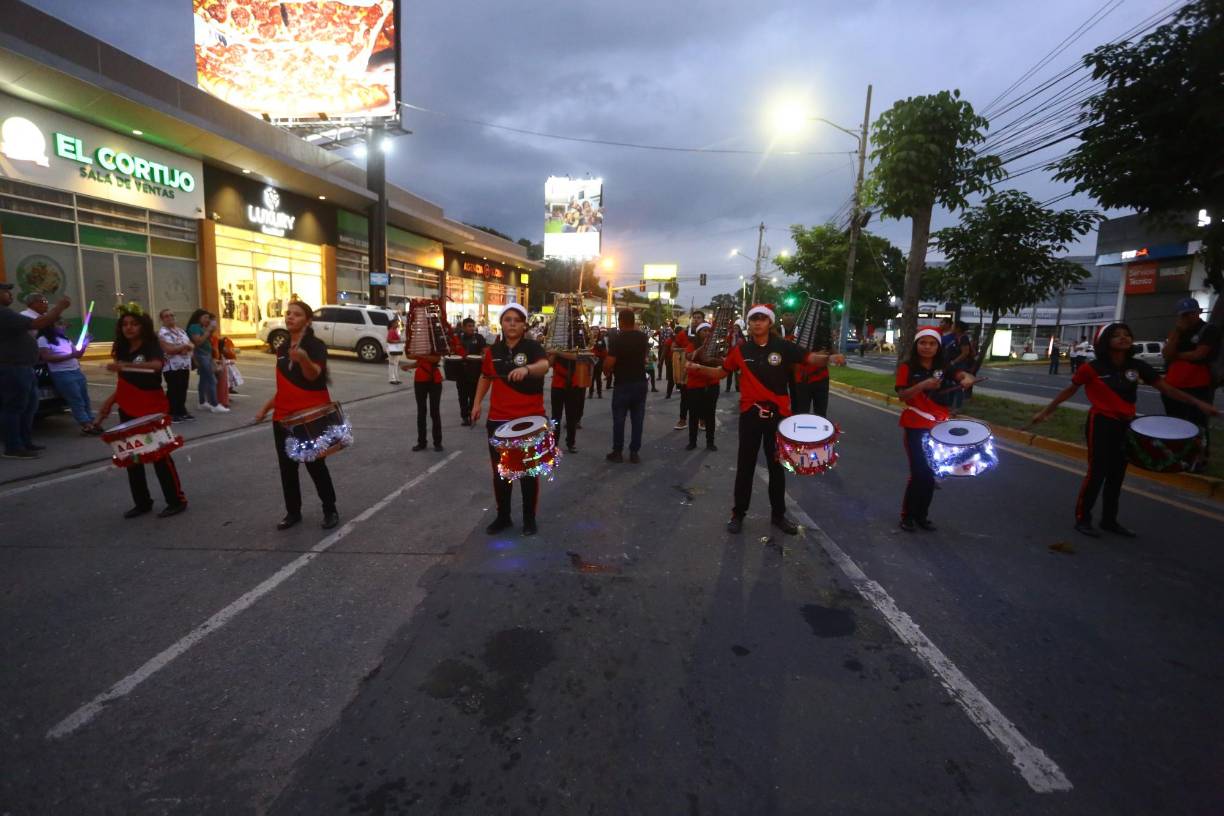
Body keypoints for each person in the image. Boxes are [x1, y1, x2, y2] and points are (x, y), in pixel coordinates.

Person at [1031, 322, 1218, 538]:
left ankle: (1109, 520)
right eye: (1116, 335)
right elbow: (1068, 391)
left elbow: (1166, 389)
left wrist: (1198, 403)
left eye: (1127, 334)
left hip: (1126, 425)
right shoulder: (1092, 368)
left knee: (1117, 475)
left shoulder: (1137, 366)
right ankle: (1083, 518)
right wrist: (1045, 412)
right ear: (1105, 341)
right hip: (1101, 423)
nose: (1123, 338)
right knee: (1097, 472)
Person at [686, 304, 844, 535]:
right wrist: (698, 367)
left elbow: (811, 358)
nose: (757, 323)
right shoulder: (740, 351)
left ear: (769, 322)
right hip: (750, 415)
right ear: (749, 324)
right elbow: (721, 372)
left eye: (762, 319)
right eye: (753, 319)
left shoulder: (784, 347)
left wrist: (830, 357)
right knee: (745, 467)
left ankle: (778, 516)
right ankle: (738, 514)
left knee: (776, 468)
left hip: (777, 417)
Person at [91, 309, 187, 519]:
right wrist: (105, 409)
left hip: (151, 408)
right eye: (125, 324)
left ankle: (176, 500)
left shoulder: (151, 345)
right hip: (127, 407)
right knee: (132, 457)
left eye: (134, 323)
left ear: (142, 325)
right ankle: (142, 502)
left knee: (160, 456)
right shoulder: (122, 349)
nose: (129, 327)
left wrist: (125, 365)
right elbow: (123, 384)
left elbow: (155, 366)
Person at [255, 301, 339, 531]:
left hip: (308, 416)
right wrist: (265, 408)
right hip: (283, 417)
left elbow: (314, 376)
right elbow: (284, 386)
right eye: (288, 313)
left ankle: (330, 509)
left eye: (297, 314)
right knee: (287, 468)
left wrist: (303, 358)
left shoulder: (315, 345)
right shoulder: (282, 348)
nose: (290, 317)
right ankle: (293, 512)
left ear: (308, 320)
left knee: (315, 464)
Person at [470, 303, 550, 535]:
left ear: (524, 324)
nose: (512, 323)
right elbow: (486, 378)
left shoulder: (533, 347)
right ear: (502, 323)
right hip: (498, 420)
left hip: (529, 420)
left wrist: (527, 370)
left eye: (517, 320)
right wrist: (476, 404)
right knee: (501, 472)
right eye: (508, 319)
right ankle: (503, 516)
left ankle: (529, 518)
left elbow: (544, 366)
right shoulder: (492, 352)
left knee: (527, 472)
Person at [894, 327, 975, 532]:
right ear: (916, 345)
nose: (927, 347)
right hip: (915, 425)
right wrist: (923, 385)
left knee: (930, 473)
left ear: (938, 346)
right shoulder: (907, 367)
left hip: (939, 428)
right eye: (923, 343)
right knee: (919, 472)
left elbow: (961, 375)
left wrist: (967, 379)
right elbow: (902, 395)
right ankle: (908, 516)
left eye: (932, 343)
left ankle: (922, 516)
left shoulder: (943, 366)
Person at [0, 283, 70, 459]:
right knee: (15, 407)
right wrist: (59, 306)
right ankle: (13, 446)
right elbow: (39, 322)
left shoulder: (8, 314)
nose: (10, 294)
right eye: (5, 291)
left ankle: (24, 441)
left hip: (24, 367)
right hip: (13, 367)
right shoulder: (3, 313)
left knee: (29, 406)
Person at [1161, 298, 1220, 467]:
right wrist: (1178, 334)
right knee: (1175, 422)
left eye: (1191, 313)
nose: (1187, 317)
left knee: (1198, 425)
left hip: (1198, 385)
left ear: (1199, 312)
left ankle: (1199, 459)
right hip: (1173, 384)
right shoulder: (1177, 332)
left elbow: (1199, 354)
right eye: (1183, 315)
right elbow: (1166, 353)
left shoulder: (1208, 330)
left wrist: (1177, 356)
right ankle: (1178, 455)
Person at [604, 309, 650, 463]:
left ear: (620, 321)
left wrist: (607, 371)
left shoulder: (616, 339)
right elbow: (645, 359)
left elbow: (610, 362)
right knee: (638, 420)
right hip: (640, 383)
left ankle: (617, 452)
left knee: (619, 419)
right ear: (634, 321)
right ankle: (634, 453)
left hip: (623, 384)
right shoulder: (643, 338)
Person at [38, 320, 98, 434]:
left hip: (76, 370)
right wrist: (70, 355)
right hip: (61, 373)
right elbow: (47, 358)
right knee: (76, 399)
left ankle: (91, 421)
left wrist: (85, 343)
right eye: (59, 324)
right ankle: (86, 424)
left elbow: (78, 355)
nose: (63, 326)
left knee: (85, 398)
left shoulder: (65, 338)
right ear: (50, 326)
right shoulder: (43, 340)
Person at [683, 322, 719, 451]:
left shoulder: (716, 346)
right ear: (698, 333)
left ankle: (710, 442)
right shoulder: (692, 345)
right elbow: (689, 358)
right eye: (704, 331)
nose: (707, 333)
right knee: (693, 414)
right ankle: (692, 442)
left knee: (710, 414)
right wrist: (701, 349)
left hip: (712, 385)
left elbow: (722, 361)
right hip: (695, 385)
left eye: (709, 331)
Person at [186, 309, 227, 413]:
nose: (207, 320)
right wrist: (208, 330)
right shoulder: (194, 327)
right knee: (211, 379)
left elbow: (206, 339)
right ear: (198, 317)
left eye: (208, 318)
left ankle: (202, 402)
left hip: (206, 355)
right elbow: (198, 341)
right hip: (201, 355)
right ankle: (214, 404)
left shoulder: (200, 327)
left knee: (204, 380)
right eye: (205, 317)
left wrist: (210, 330)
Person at [402, 350, 443, 452]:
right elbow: (417, 361)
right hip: (420, 380)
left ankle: (437, 443)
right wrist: (408, 366)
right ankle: (421, 442)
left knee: (434, 412)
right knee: (421, 412)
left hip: (435, 381)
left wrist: (420, 355)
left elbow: (436, 359)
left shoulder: (434, 343)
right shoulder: (419, 344)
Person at [548, 345, 587, 454]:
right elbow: (549, 363)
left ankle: (571, 443)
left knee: (571, 417)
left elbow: (576, 357)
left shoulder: (576, 344)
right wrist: (554, 353)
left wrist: (557, 352)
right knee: (555, 417)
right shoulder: (556, 345)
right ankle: (554, 443)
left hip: (572, 386)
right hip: (557, 386)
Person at [158, 309, 195, 421]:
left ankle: (181, 410)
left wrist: (185, 348)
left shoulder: (181, 331)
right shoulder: (163, 333)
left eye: (171, 315)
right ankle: (172, 412)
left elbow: (191, 345)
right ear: (162, 319)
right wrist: (184, 347)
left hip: (184, 364)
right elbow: (168, 349)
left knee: (183, 388)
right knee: (174, 389)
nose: (170, 317)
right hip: (171, 366)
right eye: (166, 316)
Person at [672, 311, 704, 430]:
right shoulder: (683, 333)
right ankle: (682, 420)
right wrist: (686, 352)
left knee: (702, 397)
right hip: (687, 372)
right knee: (685, 397)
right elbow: (673, 347)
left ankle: (702, 419)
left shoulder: (707, 334)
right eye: (694, 318)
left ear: (703, 320)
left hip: (702, 371)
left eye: (699, 318)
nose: (696, 320)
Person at [454, 317, 488, 425]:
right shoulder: (458, 338)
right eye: (469, 326)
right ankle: (464, 417)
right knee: (462, 396)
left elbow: (485, 351)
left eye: (473, 326)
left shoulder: (479, 337)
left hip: (475, 372)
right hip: (461, 372)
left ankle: (472, 414)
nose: (472, 328)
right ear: (464, 327)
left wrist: (484, 356)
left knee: (473, 396)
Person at [386, 316, 404, 384]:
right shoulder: (391, 331)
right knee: (392, 364)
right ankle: (392, 379)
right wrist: (399, 341)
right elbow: (389, 340)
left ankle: (396, 379)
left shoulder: (395, 330)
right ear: (392, 324)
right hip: (393, 348)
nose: (397, 324)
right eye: (396, 323)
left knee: (395, 364)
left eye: (398, 323)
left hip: (395, 348)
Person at [589, 330, 606, 399]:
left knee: (598, 377)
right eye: (593, 330)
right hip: (591, 360)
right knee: (591, 378)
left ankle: (599, 393)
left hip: (598, 360)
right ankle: (590, 393)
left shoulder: (601, 339)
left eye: (596, 330)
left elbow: (601, 348)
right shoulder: (589, 339)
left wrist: (595, 344)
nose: (595, 331)